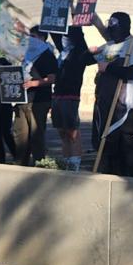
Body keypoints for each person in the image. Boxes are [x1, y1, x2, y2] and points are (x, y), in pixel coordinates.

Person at [92, 11, 133, 177]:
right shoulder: (109, 46)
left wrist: (108, 67)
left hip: (127, 106)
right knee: (109, 146)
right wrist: (89, 52)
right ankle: (110, 179)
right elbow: (84, 59)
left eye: (115, 29)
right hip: (107, 104)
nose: (112, 32)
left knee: (128, 146)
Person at [14, 25, 58, 166]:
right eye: (29, 37)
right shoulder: (22, 54)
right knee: (20, 136)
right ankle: (20, 165)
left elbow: (52, 78)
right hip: (21, 100)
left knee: (36, 136)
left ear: (42, 39)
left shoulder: (47, 55)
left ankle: (39, 165)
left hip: (38, 101)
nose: (30, 40)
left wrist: (32, 84)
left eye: (33, 37)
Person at [51, 24, 90, 171]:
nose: (63, 39)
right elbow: (53, 31)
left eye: (67, 37)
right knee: (61, 130)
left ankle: (75, 162)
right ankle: (66, 159)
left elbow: (79, 35)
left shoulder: (79, 53)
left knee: (72, 131)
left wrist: (74, 11)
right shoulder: (62, 53)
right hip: (58, 95)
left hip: (71, 95)